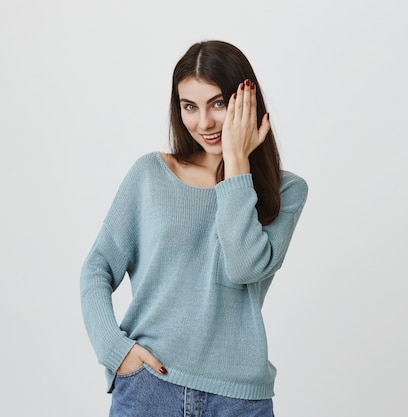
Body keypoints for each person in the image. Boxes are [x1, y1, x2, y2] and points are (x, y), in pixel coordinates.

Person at [80, 40, 308, 417]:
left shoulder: (287, 191)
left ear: (245, 101)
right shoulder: (151, 175)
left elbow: (244, 268)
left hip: (239, 400)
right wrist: (114, 351)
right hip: (149, 388)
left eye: (218, 103)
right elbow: (96, 268)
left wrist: (237, 163)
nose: (204, 123)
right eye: (190, 106)